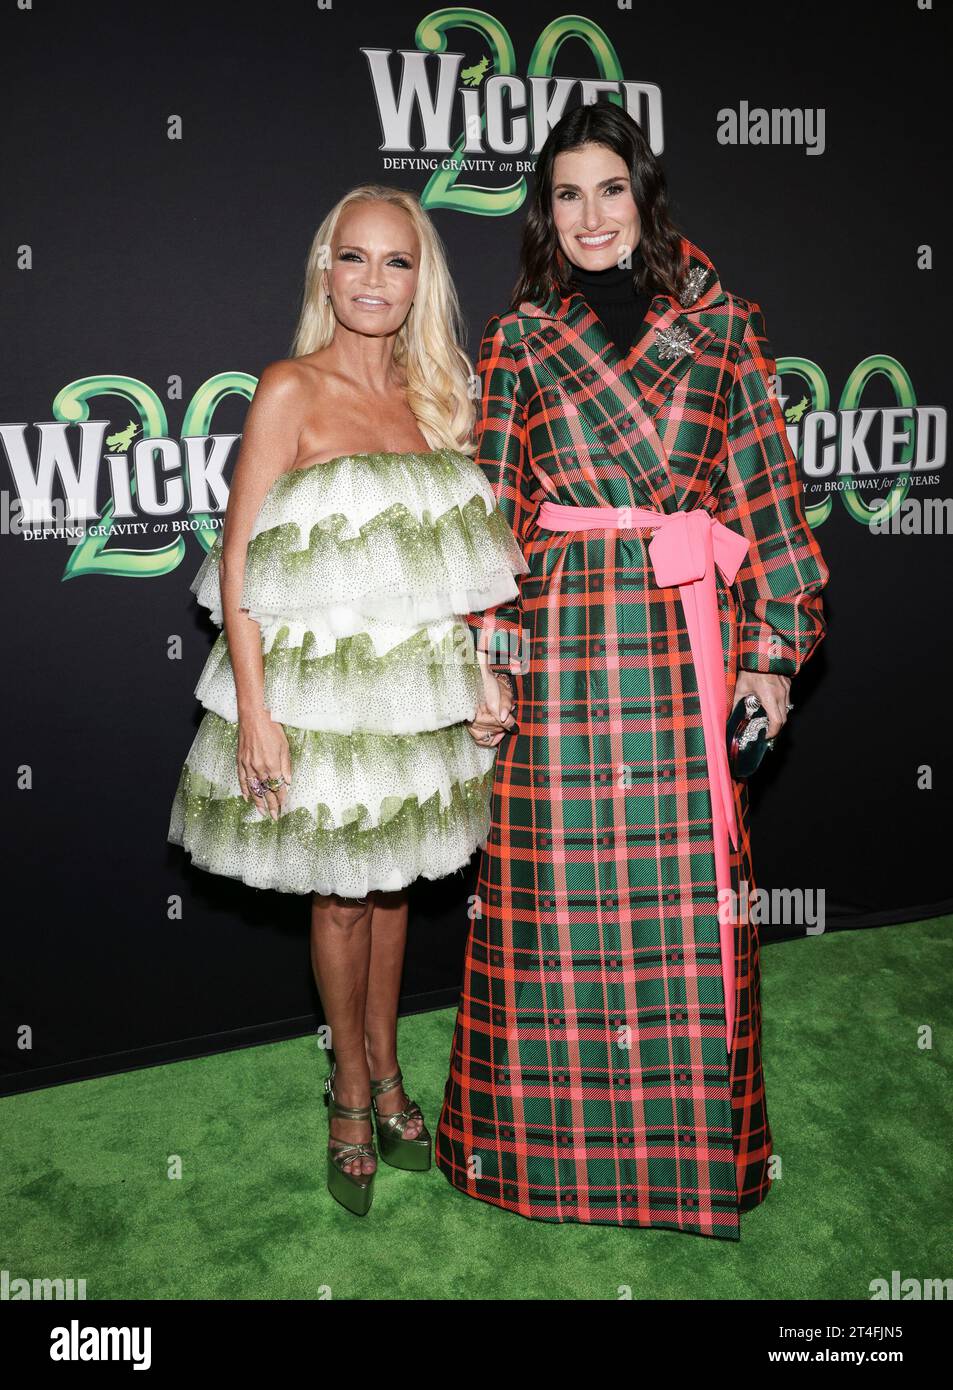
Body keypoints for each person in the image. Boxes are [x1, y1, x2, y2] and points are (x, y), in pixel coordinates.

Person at [437, 103, 830, 1240]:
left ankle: (687, 1164)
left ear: (643, 198)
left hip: (679, 643)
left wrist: (768, 657)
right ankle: (538, 1164)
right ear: (543, 213)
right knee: (550, 901)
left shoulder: (724, 331)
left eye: (609, 190)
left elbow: (766, 496)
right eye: (566, 195)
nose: (590, 216)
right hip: (560, 653)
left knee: (680, 908)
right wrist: (491, 661)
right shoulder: (514, 343)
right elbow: (492, 523)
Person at [168, 184, 524, 1216]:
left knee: (396, 884)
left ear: (422, 282)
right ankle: (347, 1092)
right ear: (327, 270)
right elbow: (235, 567)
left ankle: (391, 1068)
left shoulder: (432, 400)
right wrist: (256, 709)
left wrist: (479, 670)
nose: (374, 280)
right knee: (337, 894)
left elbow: (448, 572)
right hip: (314, 693)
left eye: (396, 262)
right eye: (354, 259)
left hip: (412, 693)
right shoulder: (287, 388)